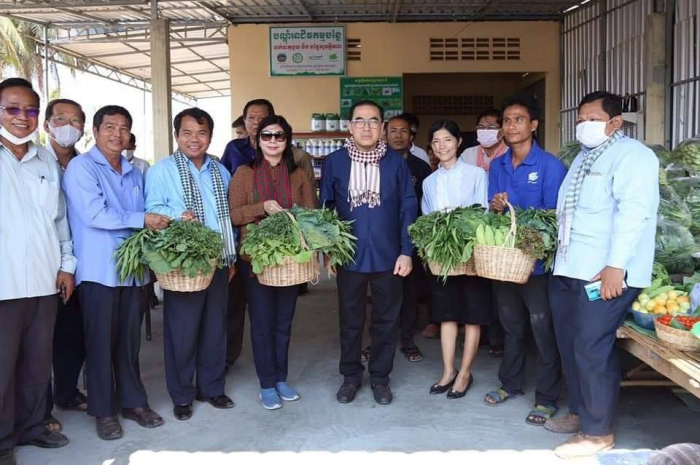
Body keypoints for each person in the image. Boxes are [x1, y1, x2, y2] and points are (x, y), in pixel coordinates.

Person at [546, 91, 659, 459]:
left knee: (591, 346)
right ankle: (580, 411)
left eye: (593, 119)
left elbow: (634, 213)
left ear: (615, 122)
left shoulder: (633, 156)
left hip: (604, 273)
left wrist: (616, 266)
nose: (584, 125)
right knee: (570, 344)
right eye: (581, 119)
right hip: (569, 268)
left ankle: (598, 432)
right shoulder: (583, 157)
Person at [63, 105, 170, 441]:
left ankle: (133, 402)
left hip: (133, 271)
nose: (117, 134)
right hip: (99, 272)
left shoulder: (134, 172)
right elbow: (95, 214)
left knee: (128, 342)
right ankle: (103, 410)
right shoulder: (81, 168)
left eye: (124, 128)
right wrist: (142, 220)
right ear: (95, 131)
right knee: (99, 343)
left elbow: (146, 215)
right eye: (110, 127)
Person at [320, 100, 417, 406]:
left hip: (389, 257)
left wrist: (406, 251)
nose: (366, 127)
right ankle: (350, 377)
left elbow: (408, 207)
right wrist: (330, 251)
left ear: (381, 127)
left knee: (386, 322)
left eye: (373, 121)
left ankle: (380, 378)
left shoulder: (395, 163)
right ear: (350, 127)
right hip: (349, 256)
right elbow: (327, 208)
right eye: (359, 121)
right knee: (350, 321)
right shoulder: (335, 162)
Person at [0, 78, 76, 464]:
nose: (22, 117)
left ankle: (32, 427)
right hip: (4, 282)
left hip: (44, 280)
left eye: (30, 109)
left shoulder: (45, 160)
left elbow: (59, 219)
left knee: (36, 363)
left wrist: (66, 266)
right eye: (12, 108)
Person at [145, 108, 237, 421]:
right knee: (182, 332)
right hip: (183, 264)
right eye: (187, 133)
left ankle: (211, 388)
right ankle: (182, 395)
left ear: (210, 136)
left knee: (215, 328)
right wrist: (177, 218)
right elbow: (153, 210)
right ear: (176, 136)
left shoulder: (220, 171)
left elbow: (227, 217)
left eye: (201, 133)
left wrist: (230, 256)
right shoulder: (162, 171)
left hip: (218, 260)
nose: (194, 139)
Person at [483, 94, 566, 426]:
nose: (511, 125)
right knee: (511, 325)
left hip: (538, 265)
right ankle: (511, 384)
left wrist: (519, 215)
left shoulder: (550, 166)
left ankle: (546, 398)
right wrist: (495, 206)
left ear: (533, 125)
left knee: (542, 328)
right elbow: (492, 213)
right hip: (506, 261)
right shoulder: (498, 165)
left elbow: (554, 217)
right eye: (506, 120)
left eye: (518, 119)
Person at [220, 99, 316, 372]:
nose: (273, 141)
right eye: (267, 135)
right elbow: (233, 215)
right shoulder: (244, 174)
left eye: (279, 136)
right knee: (262, 324)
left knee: (283, 323)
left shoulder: (298, 175)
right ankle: (267, 382)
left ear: (287, 140)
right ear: (258, 140)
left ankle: (281, 377)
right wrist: (261, 207)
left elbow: (311, 214)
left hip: (289, 260)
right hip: (255, 260)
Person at [422, 119, 488, 400]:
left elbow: (483, 212)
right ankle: (449, 370)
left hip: (471, 255)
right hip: (443, 258)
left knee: (472, 316)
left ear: (459, 142)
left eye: (447, 140)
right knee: (446, 315)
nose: (442, 146)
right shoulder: (429, 181)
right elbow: (427, 218)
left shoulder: (476, 174)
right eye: (436, 142)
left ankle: (465, 373)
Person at [42, 98, 88, 434]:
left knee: (74, 332)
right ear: (47, 125)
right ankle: (40, 408)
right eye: (60, 119)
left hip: (80, 262)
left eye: (75, 121)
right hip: (45, 262)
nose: (68, 126)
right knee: (40, 340)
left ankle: (67, 392)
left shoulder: (85, 165)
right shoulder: (36, 162)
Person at [385, 115, 433, 362]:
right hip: (383, 237)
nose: (398, 135)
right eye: (393, 130)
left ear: (411, 135)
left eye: (403, 131)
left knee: (410, 292)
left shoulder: (421, 168)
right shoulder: (376, 163)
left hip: (412, 238)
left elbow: (427, 204)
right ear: (385, 135)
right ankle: (380, 341)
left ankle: (407, 340)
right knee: (384, 292)